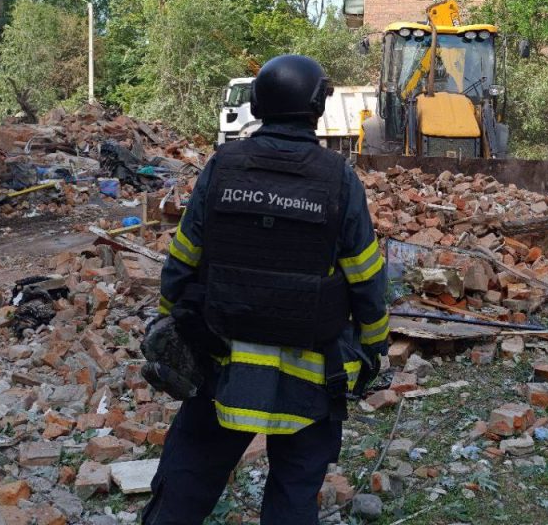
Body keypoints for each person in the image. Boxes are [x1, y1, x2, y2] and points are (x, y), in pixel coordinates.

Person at [141, 54, 390, 525]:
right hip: (310, 378)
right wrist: (373, 348)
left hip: (221, 369)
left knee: (187, 480)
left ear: (257, 102)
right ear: (317, 107)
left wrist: (172, 320)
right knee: (294, 496)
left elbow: (183, 260)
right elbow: (366, 278)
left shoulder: (223, 166)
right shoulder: (338, 178)